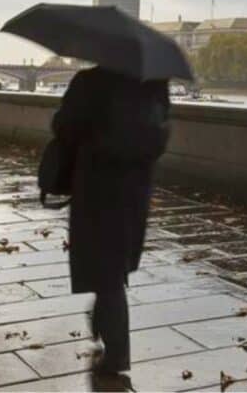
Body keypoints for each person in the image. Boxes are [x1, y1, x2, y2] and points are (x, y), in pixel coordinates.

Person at [50, 66, 170, 374]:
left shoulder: (89, 81)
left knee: (105, 272)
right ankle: (104, 321)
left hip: (97, 186)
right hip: (135, 188)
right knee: (114, 265)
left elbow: (64, 127)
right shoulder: (154, 82)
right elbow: (159, 137)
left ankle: (117, 353)